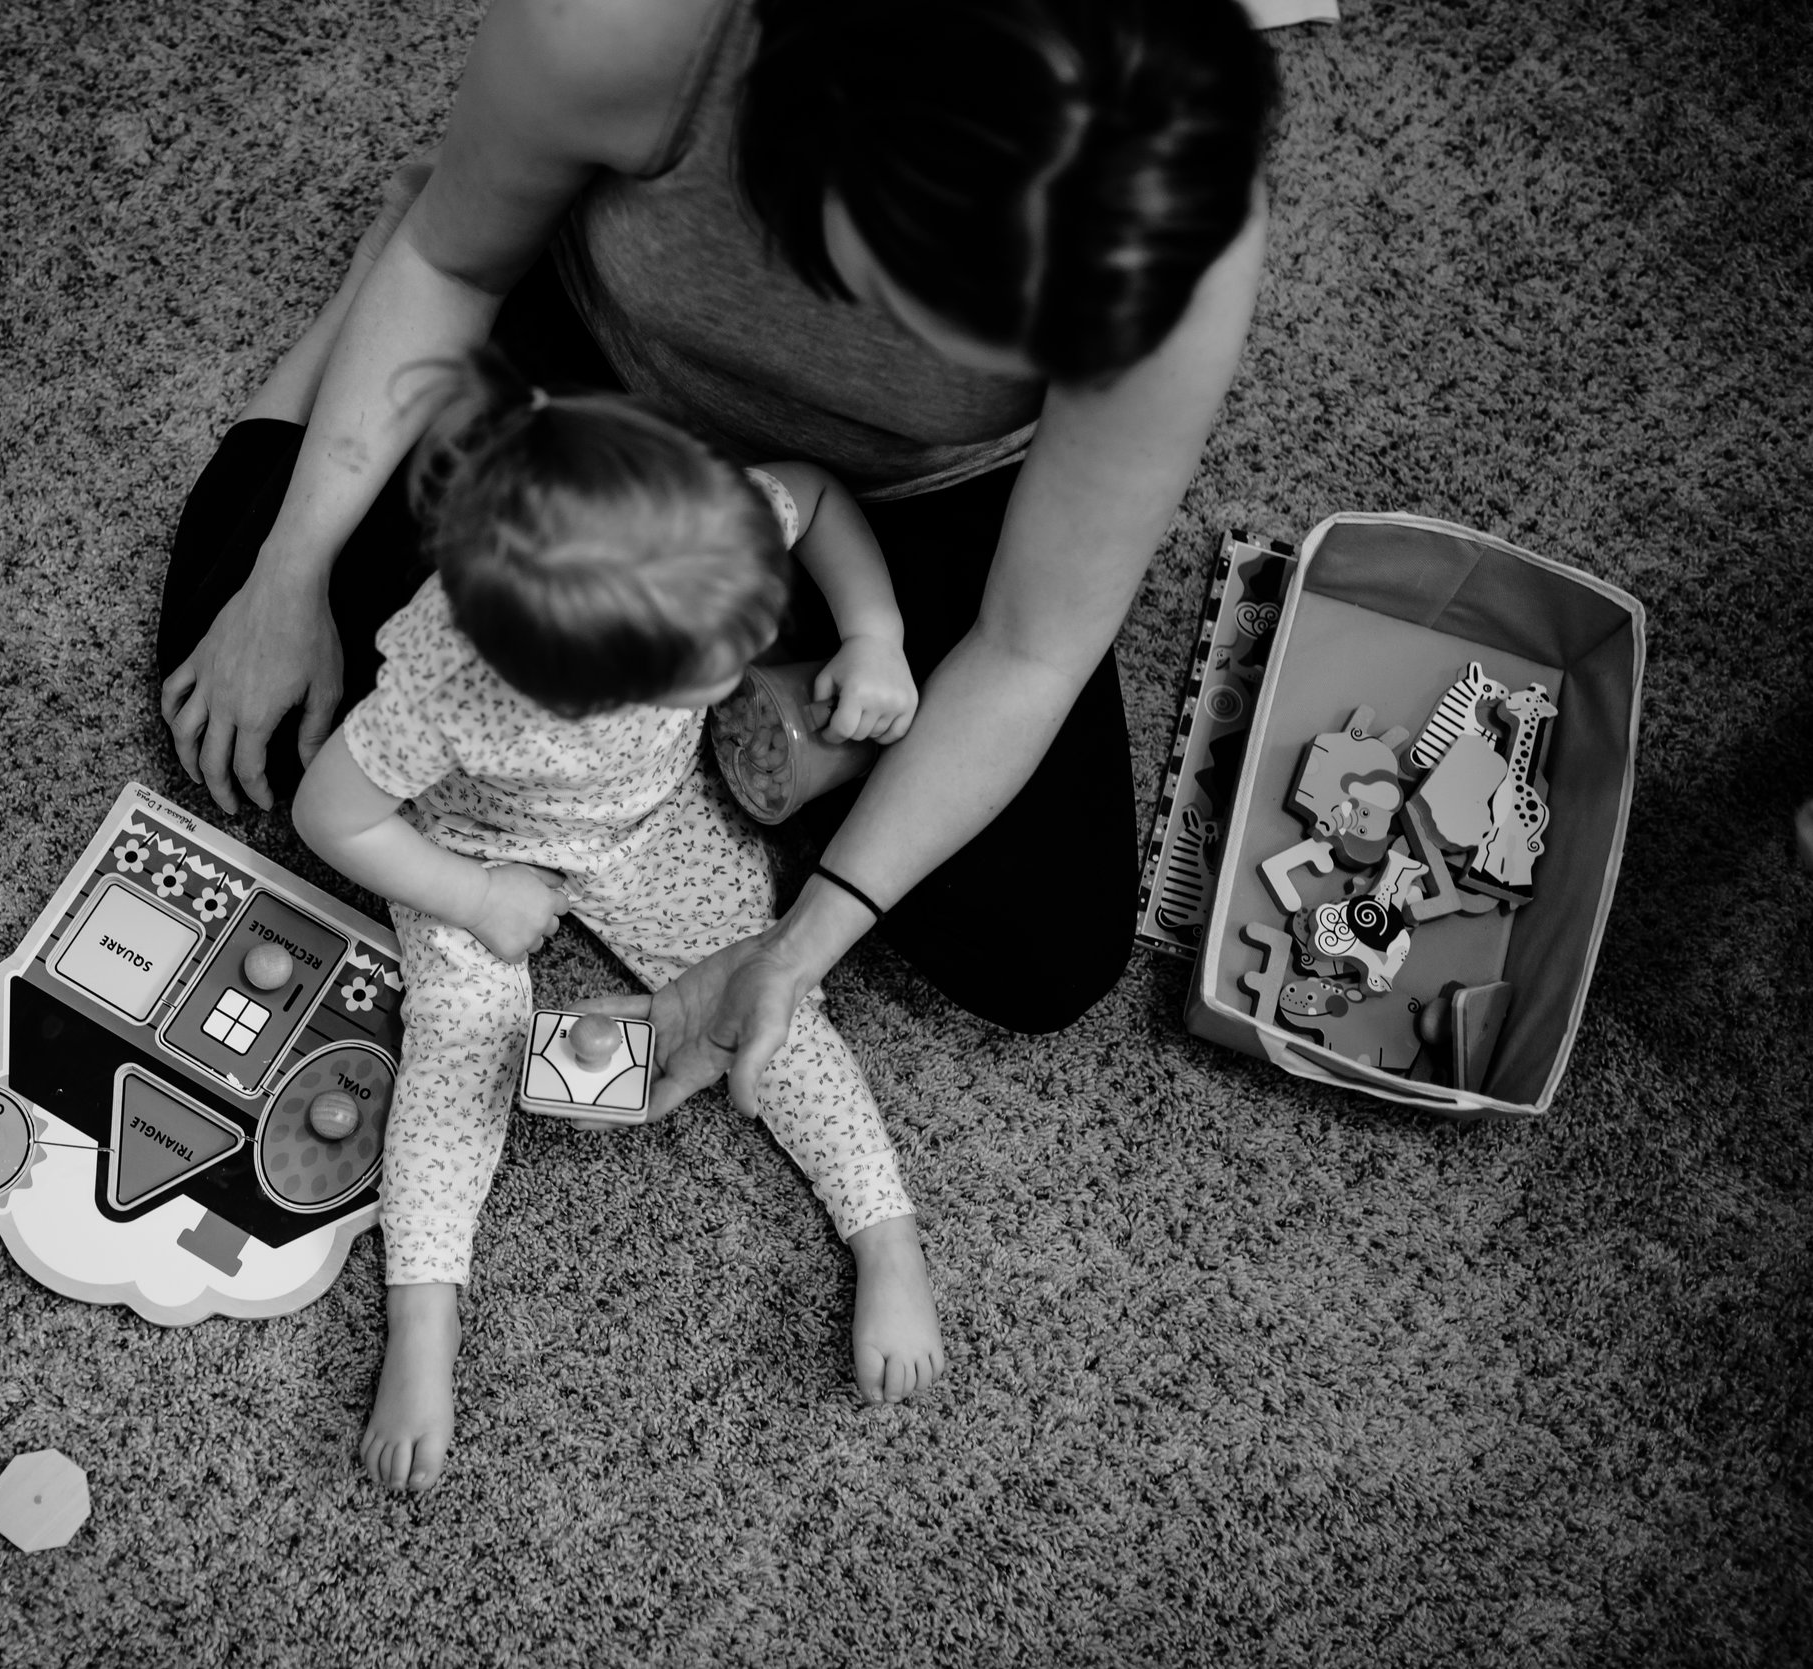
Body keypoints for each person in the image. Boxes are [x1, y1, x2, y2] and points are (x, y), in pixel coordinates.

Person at [159, 0, 1277, 1113]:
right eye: (934, 302)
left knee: (1039, 951)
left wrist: (794, 948)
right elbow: (455, 269)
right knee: (253, 687)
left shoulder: (1174, 231)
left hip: (910, 494)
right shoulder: (625, 29)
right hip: (597, 409)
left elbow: (1034, 644)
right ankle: (360, 288)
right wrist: (286, 574)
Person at [294, 354, 942, 1492]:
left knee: (771, 996)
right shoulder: (453, 688)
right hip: (475, 847)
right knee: (459, 1045)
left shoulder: (704, 526)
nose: (748, 657)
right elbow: (332, 813)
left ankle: (883, 1230)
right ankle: (422, 1321)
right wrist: (474, 898)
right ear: (571, 692)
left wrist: (875, 630)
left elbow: (819, 497)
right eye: (715, 660)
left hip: (648, 823)